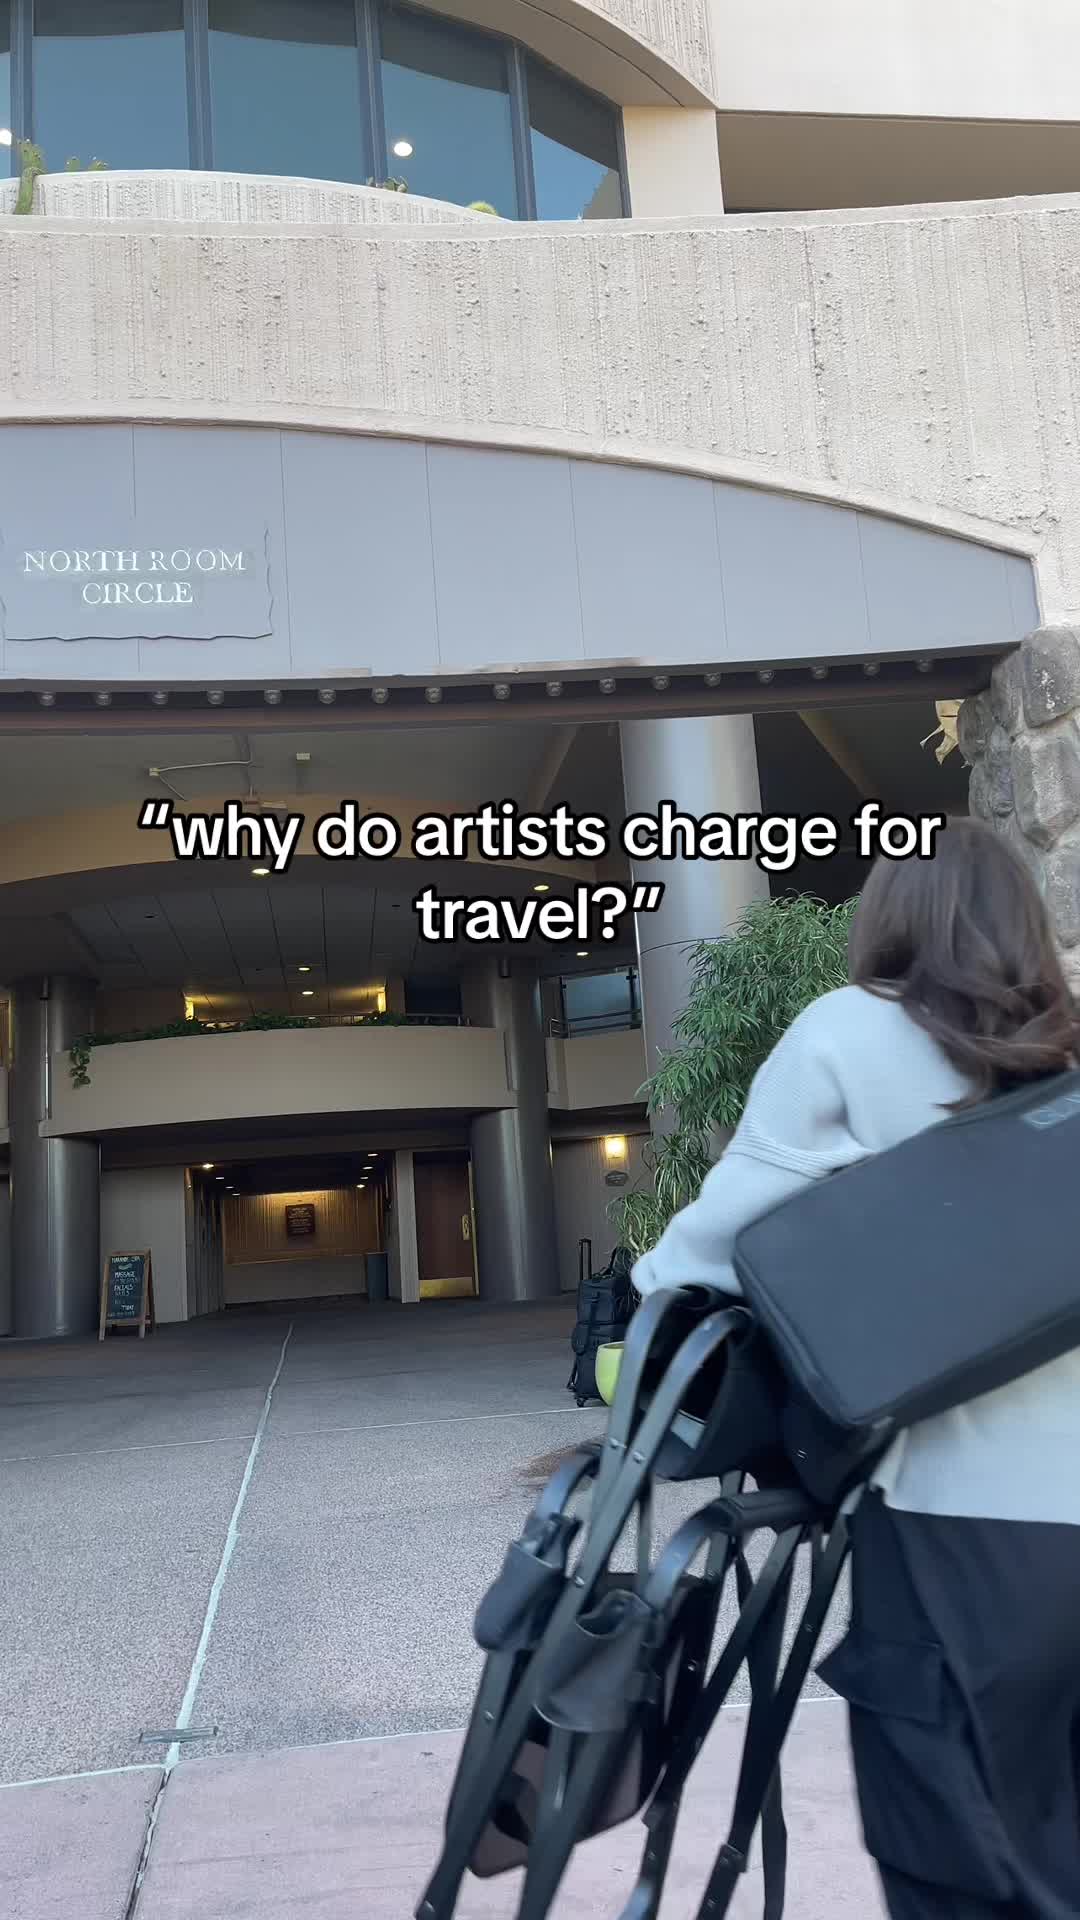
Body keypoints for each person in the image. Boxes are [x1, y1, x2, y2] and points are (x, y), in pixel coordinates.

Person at [630, 816, 1080, 1920]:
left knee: (962, 1862)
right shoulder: (1069, 1058)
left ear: (888, 917)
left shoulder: (849, 1031)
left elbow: (694, 1268)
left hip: (961, 1531)